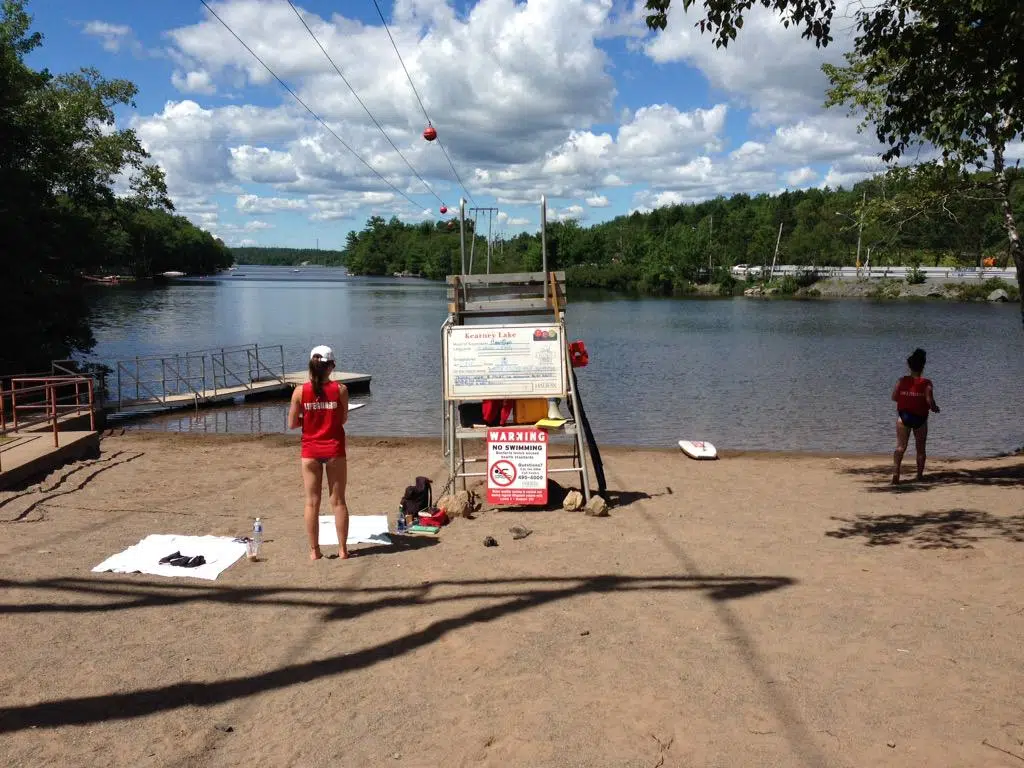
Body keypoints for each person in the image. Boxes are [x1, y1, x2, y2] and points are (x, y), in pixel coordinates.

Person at [288, 345, 350, 559]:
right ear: (331, 367)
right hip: (334, 448)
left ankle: (314, 551)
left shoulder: (299, 391)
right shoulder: (340, 389)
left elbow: (292, 424)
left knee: (311, 502)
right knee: (338, 501)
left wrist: (309, 417)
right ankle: (342, 549)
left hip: (310, 450)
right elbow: (343, 419)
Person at [890, 348, 940, 484]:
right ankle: (919, 475)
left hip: (903, 417)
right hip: (920, 419)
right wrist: (935, 408)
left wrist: (906, 398)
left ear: (909, 366)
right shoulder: (926, 383)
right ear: (923, 366)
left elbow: (894, 397)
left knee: (900, 447)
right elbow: (930, 401)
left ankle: (895, 474)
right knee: (920, 448)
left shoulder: (901, 381)